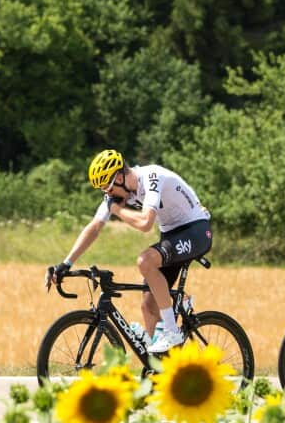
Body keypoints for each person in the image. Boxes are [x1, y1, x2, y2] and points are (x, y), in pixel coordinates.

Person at [47, 149, 212, 353]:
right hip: (171, 234)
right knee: (148, 306)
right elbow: (94, 227)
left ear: (119, 176)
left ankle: (171, 331)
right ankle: (161, 367)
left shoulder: (151, 177)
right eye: (103, 190)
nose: (107, 194)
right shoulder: (118, 191)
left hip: (195, 230)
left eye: (107, 187)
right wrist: (66, 264)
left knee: (145, 261)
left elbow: (145, 223)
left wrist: (116, 210)